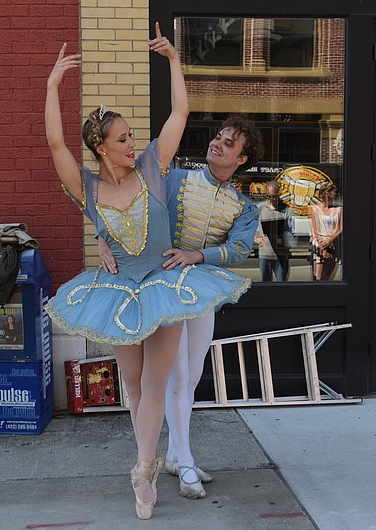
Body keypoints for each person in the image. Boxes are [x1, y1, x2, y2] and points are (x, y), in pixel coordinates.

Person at [44, 27, 250, 520]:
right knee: (133, 387)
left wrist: (175, 61)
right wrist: (51, 88)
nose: (132, 141)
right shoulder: (87, 190)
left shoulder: (154, 168)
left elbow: (180, 114)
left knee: (157, 385)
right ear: (102, 148)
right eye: (123, 137)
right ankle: (150, 459)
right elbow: (55, 145)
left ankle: (144, 469)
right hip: (117, 291)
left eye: (132, 134)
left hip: (165, 287)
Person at [100, 116, 263, 500]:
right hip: (160, 287)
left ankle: (175, 454)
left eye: (228, 144)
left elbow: (239, 248)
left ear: (241, 159)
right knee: (176, 377)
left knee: (190, 378)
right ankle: (185, 460)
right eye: (218, 137)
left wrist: (198, 254)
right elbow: (127, 199)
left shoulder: (244, 207)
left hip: (201, 290)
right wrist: (103, 237)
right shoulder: (177, 178)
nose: (217, 145)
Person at [255, 181, 290, 282]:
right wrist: (256, 238)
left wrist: (286, 238)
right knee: (265, 285)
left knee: (281, 284)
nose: (272, 199)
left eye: (274, 196)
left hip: (281, 254)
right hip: (265, 252)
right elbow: (251, 224)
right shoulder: (261, 208)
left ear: (279, 193)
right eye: (269, 196)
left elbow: (291, 230)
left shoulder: (286, 209)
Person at [309, 182, 343, 281]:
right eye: (335, 192)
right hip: (319, 244)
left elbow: (340, 228)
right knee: (318, 277)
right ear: (327, 193)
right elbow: (314, 230)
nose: (337, 194)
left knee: (327, 278)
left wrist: (329, 241)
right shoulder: (314, 209)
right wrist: (322, 246)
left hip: (332, 243)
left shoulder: (338, 210)